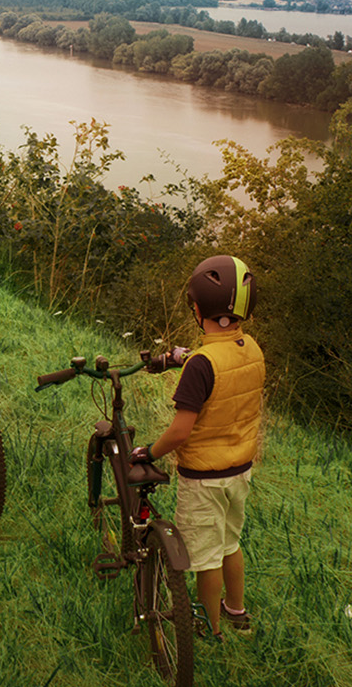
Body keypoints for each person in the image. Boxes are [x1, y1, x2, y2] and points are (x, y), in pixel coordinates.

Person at [130, 254, 263, 639]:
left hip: (204, 479)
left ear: (197, 307)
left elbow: (180, 432)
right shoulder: (250, 349)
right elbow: (223, 364)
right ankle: (236, 612)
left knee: (206, 560)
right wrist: (182, 356)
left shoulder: (201, 367)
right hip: (240, 470)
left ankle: (211, 630)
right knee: (230, 544)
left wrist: (149, 452)